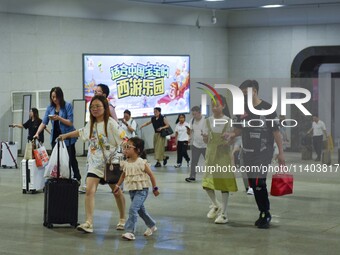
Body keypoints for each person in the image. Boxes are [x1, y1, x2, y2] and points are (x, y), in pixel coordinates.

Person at [58, 95, 126, 233]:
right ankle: (89, 222)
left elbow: (124, 139)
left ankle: (123, 218)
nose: (94, 109)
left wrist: (127, 157)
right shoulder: (91, 124)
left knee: (116, 192)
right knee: (89, 190)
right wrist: (65, 136)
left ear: (105, 108)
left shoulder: (111, 123)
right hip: (95, 164)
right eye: (92, 107)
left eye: (98, 106)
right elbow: (81, 132)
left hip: (111, 164)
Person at [230, 80, 285, 229]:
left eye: (246, 93)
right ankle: (263, 211)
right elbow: (238, 129)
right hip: (247, 152)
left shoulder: (268, 108)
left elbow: (276, 132)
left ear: (254, 91)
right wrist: (230, 135)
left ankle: (265, 213)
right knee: (253, 185)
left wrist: (281, 153)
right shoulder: (241, 109)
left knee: (259, 182)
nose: (244, 96)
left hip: (264, 151)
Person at [114, 137, 160, 241]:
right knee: (140, 211)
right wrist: (117, 186)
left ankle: (130, 232)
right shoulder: (126, 163)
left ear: (137, 150)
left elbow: (151, 175)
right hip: (132, 190)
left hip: (142, 190)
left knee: (133, 209)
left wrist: (155, 188)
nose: (125, 149)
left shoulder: (141, 163)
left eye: (128, 147)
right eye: (125, 147)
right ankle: (152, 225)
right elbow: (123, 175)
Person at [202, 95, 238, 224]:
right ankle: (216, 204)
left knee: (223, 183)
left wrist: (228, 141)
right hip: (211, 154)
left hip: (223, 155)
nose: (214, 108)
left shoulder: (228, 121)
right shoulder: (207, 121)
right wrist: (205, 137)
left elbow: (234, 139)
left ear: (223, 106)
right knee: (207, 183)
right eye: (212, 106)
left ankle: (224, 213)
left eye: (217, 105)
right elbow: (206, 140)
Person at [34, 87, 81, 183]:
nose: (54, 99)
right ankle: (60, 177)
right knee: (57, 159)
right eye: (52, 97)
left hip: (67, 138)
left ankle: (77, 177)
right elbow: (44, 122)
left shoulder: (67, 106)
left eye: (56, 97)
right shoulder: (50, 108)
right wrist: (37, 133)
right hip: (55, 138)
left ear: (60, 96)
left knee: (71, 159)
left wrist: (59, 118)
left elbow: (70, 122)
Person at [185, 106, 206, 182]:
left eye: (195, 114)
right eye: (193, 114)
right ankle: (192, 176)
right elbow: (191, 131)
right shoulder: (192, 120)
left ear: (199, 112)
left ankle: (211, 176)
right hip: (196, 145)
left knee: (208, 161)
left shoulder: (206, 120)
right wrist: (189, 137)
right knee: (194, 161)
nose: (194, 116)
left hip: (206, 145)